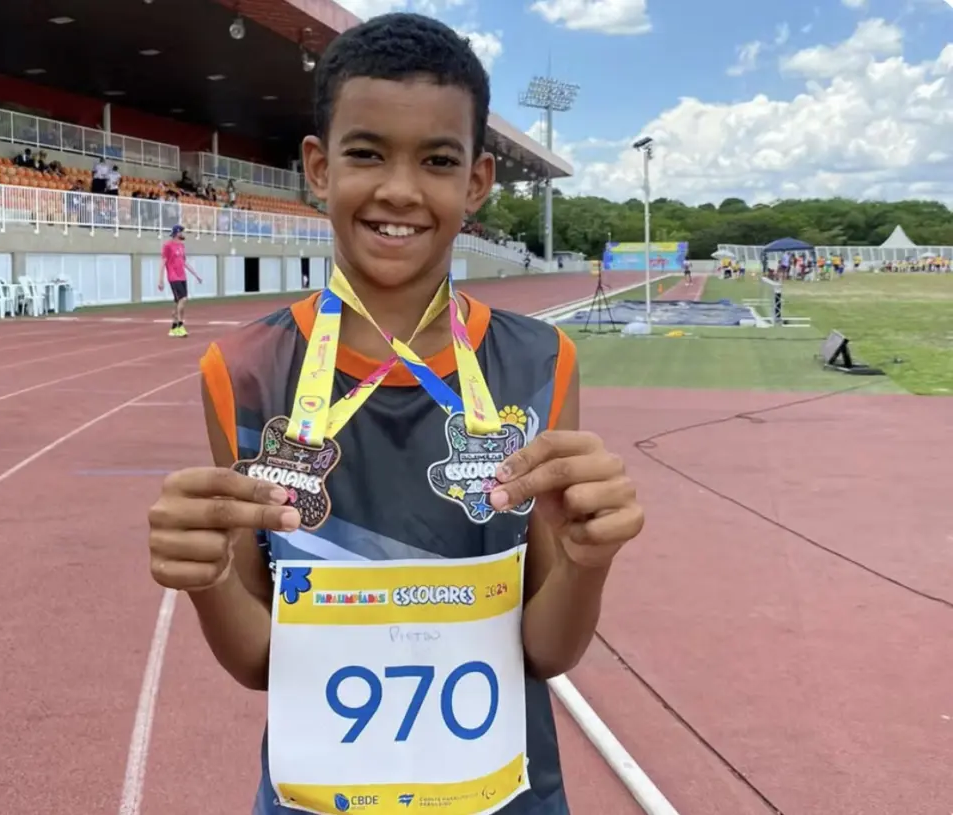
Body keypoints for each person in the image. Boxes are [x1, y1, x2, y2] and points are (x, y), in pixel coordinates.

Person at [146, 13, 643, 815]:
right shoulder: (241, 371)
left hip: (506, 797)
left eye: (437, 161)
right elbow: (260, 659)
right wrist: (206, 581)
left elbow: (547, 650)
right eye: (367, 152)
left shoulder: (543, 363)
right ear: (318, 165)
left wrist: (589, 559)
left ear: (477, 181)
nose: (400, 190)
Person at [157, 224, 202, 337]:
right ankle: (180, 325)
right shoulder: (168, 246)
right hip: (173, 277)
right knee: (183, 299)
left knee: (178, 302)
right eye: (181, 232)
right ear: (177, 233)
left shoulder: (182, 246)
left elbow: (184, 263)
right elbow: (163, 263)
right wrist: (160, 279)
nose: (183, 234)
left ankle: (173, 327)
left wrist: (196, 275)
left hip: (182, 277)